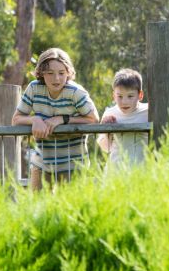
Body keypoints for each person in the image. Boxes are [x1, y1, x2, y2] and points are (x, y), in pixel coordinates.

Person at [11, 47, 99, 190]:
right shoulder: (34, 89)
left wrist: (62, 119)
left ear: (68, 73)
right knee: (37, 207)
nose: (56, 78)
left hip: (73, 162)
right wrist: (35, 120)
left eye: (61, 73)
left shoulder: (76, 92)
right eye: (50, 73)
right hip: (42, 161)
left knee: (71, 209)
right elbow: (16, 119)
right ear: (41, 74)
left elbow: (94, 119)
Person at [97, 68, 150, 170]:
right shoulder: (110, 113)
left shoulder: (149, 111)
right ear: (113, 96)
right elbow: (105, 148)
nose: (124, 101)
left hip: (143, 171)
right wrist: (106, 129)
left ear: (140, 95)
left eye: (130, 96)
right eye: (120, 96)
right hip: (116, 170)